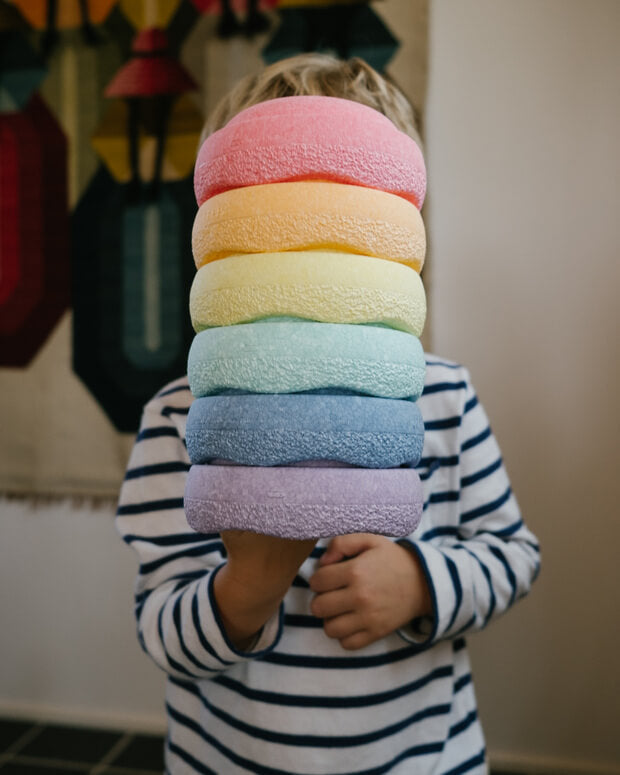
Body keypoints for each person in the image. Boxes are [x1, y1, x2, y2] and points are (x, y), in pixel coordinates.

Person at [116, 53, 540, 775]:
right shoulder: (183, 417)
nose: (308, 238)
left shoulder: (443, 398)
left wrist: (420, 582)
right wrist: (249, 583)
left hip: (424, 757)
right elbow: (162, 629)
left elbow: (513, 553)